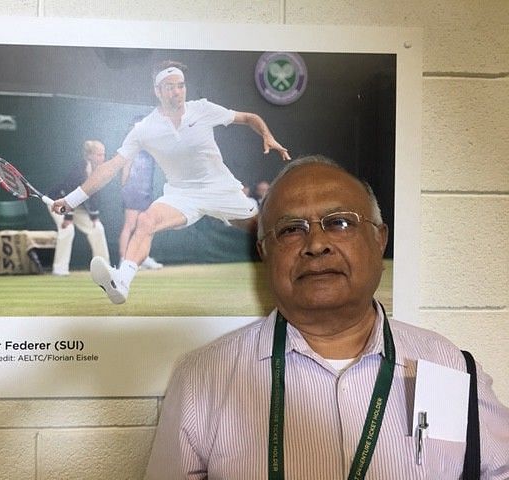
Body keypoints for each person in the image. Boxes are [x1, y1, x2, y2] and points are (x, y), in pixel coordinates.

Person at [144, 156, 509, 479]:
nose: (316, 244)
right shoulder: (203, 378)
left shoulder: (443, 366)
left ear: (380, 239)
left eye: (339, 222)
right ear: (264, 251)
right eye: (291, 230)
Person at [52, 60, 290, 303]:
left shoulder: (202, 109)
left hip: (221, 190)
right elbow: (111, 167)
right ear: (158, 91)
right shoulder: (144, 128)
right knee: (146, 220)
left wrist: (268, 137)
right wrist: (72, 200)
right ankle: (121, 281)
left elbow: (250, 117)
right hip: (181, 195)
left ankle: (290, 273)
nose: (177, 91)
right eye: (170, 87)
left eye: (180, 86)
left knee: (261, 230)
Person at [46, 140, 110, 276]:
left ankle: (104, 268)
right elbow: (68, 192)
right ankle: (60, 269)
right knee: (67, 229)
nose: (102, 158)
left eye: (103, 154)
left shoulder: (100, 171)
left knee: (98, 228)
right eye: (99, 155)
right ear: (89, 156)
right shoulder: (78, 169)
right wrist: (68, 217)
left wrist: (94, 217)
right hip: (58, 202)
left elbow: (94, 196)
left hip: (78, 207)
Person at [118, 143, 163, 270]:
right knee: (129, 225)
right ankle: (123, 259)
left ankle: (142, 258)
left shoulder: (152, 151)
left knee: (145, 225)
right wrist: (125, 188)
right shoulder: (131, 149)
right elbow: (125, 169)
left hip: (146, 191)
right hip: (132, 191)